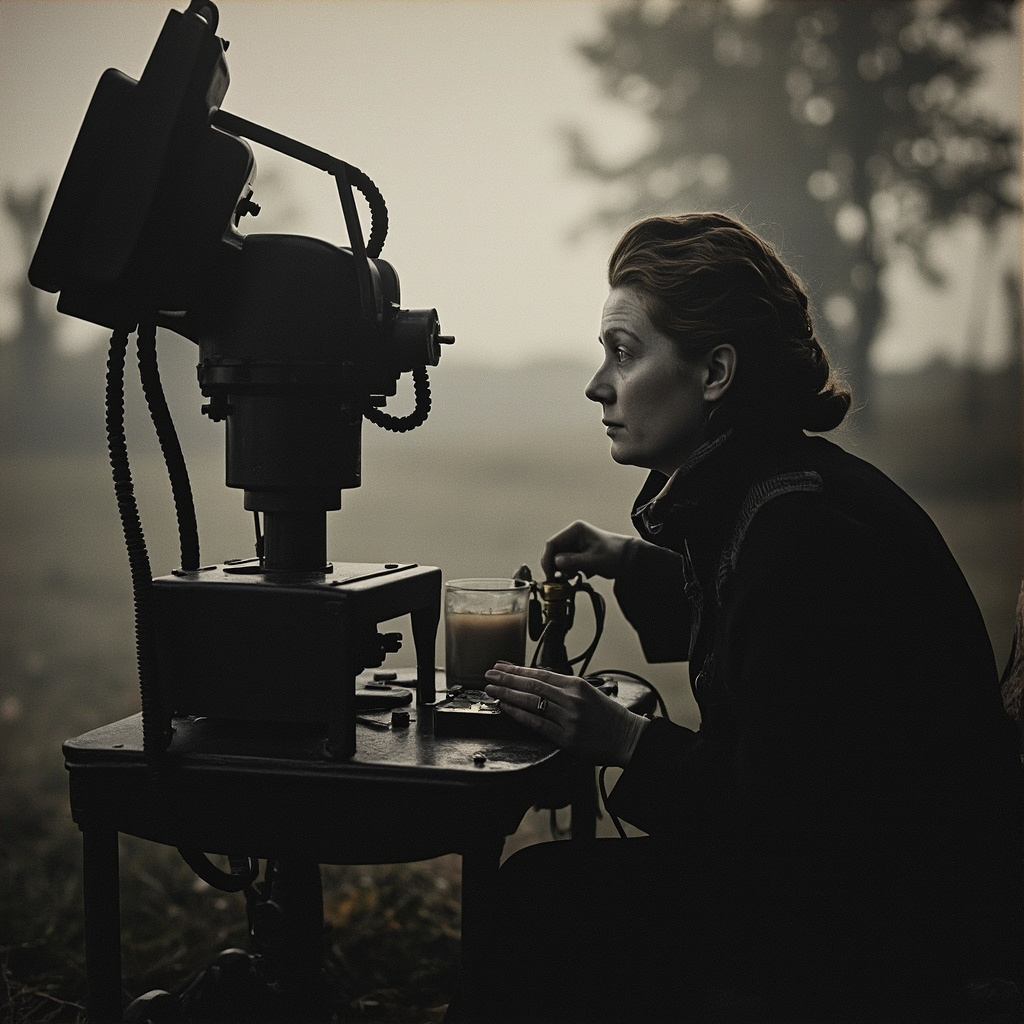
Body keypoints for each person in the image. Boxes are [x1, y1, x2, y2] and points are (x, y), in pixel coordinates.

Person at [451, 212, 1023, 1024]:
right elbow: (765, 631)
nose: (598, 385)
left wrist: (625, 738)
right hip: (869, 888)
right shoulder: (784, 490)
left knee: (536, 902)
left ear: (715, 372)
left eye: (623, 352)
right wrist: (629, 559)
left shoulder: (804, 534)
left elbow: (784, 820)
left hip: (883, 924)